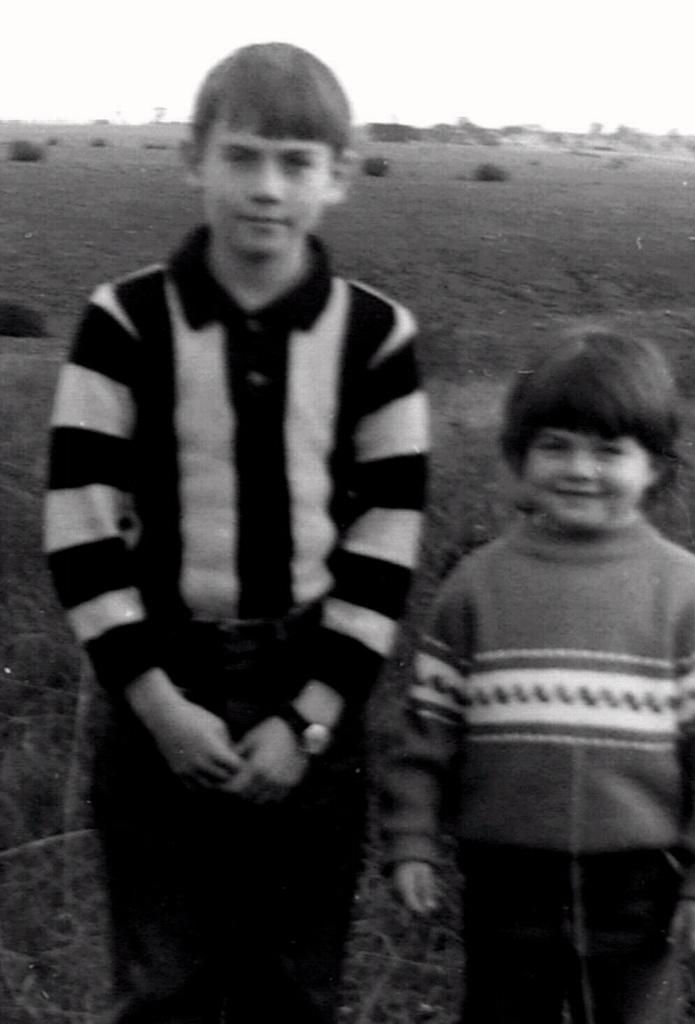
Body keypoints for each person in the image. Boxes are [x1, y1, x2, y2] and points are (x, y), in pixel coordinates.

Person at [44, 42, 428, 1024]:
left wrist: (310, 718)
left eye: (296, 164)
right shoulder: (123, 322)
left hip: (310, 690)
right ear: (195, 159)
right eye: (244, 156)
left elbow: (385, 539)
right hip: (158, 678)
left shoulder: (377, 337)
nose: (266, 187)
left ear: (337, 177)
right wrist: (159, 705)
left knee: (294, 984)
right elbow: (80, 526)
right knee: (164, 979)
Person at [381, 329, 695, 1024]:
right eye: (556, 446)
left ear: (656, 468)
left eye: (610, 451)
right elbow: (427, 729)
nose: (581, 469)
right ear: (520, 458)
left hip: (641, 884)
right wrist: (411, 839)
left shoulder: (690, 593)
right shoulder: (476, 585)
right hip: (505, 877)